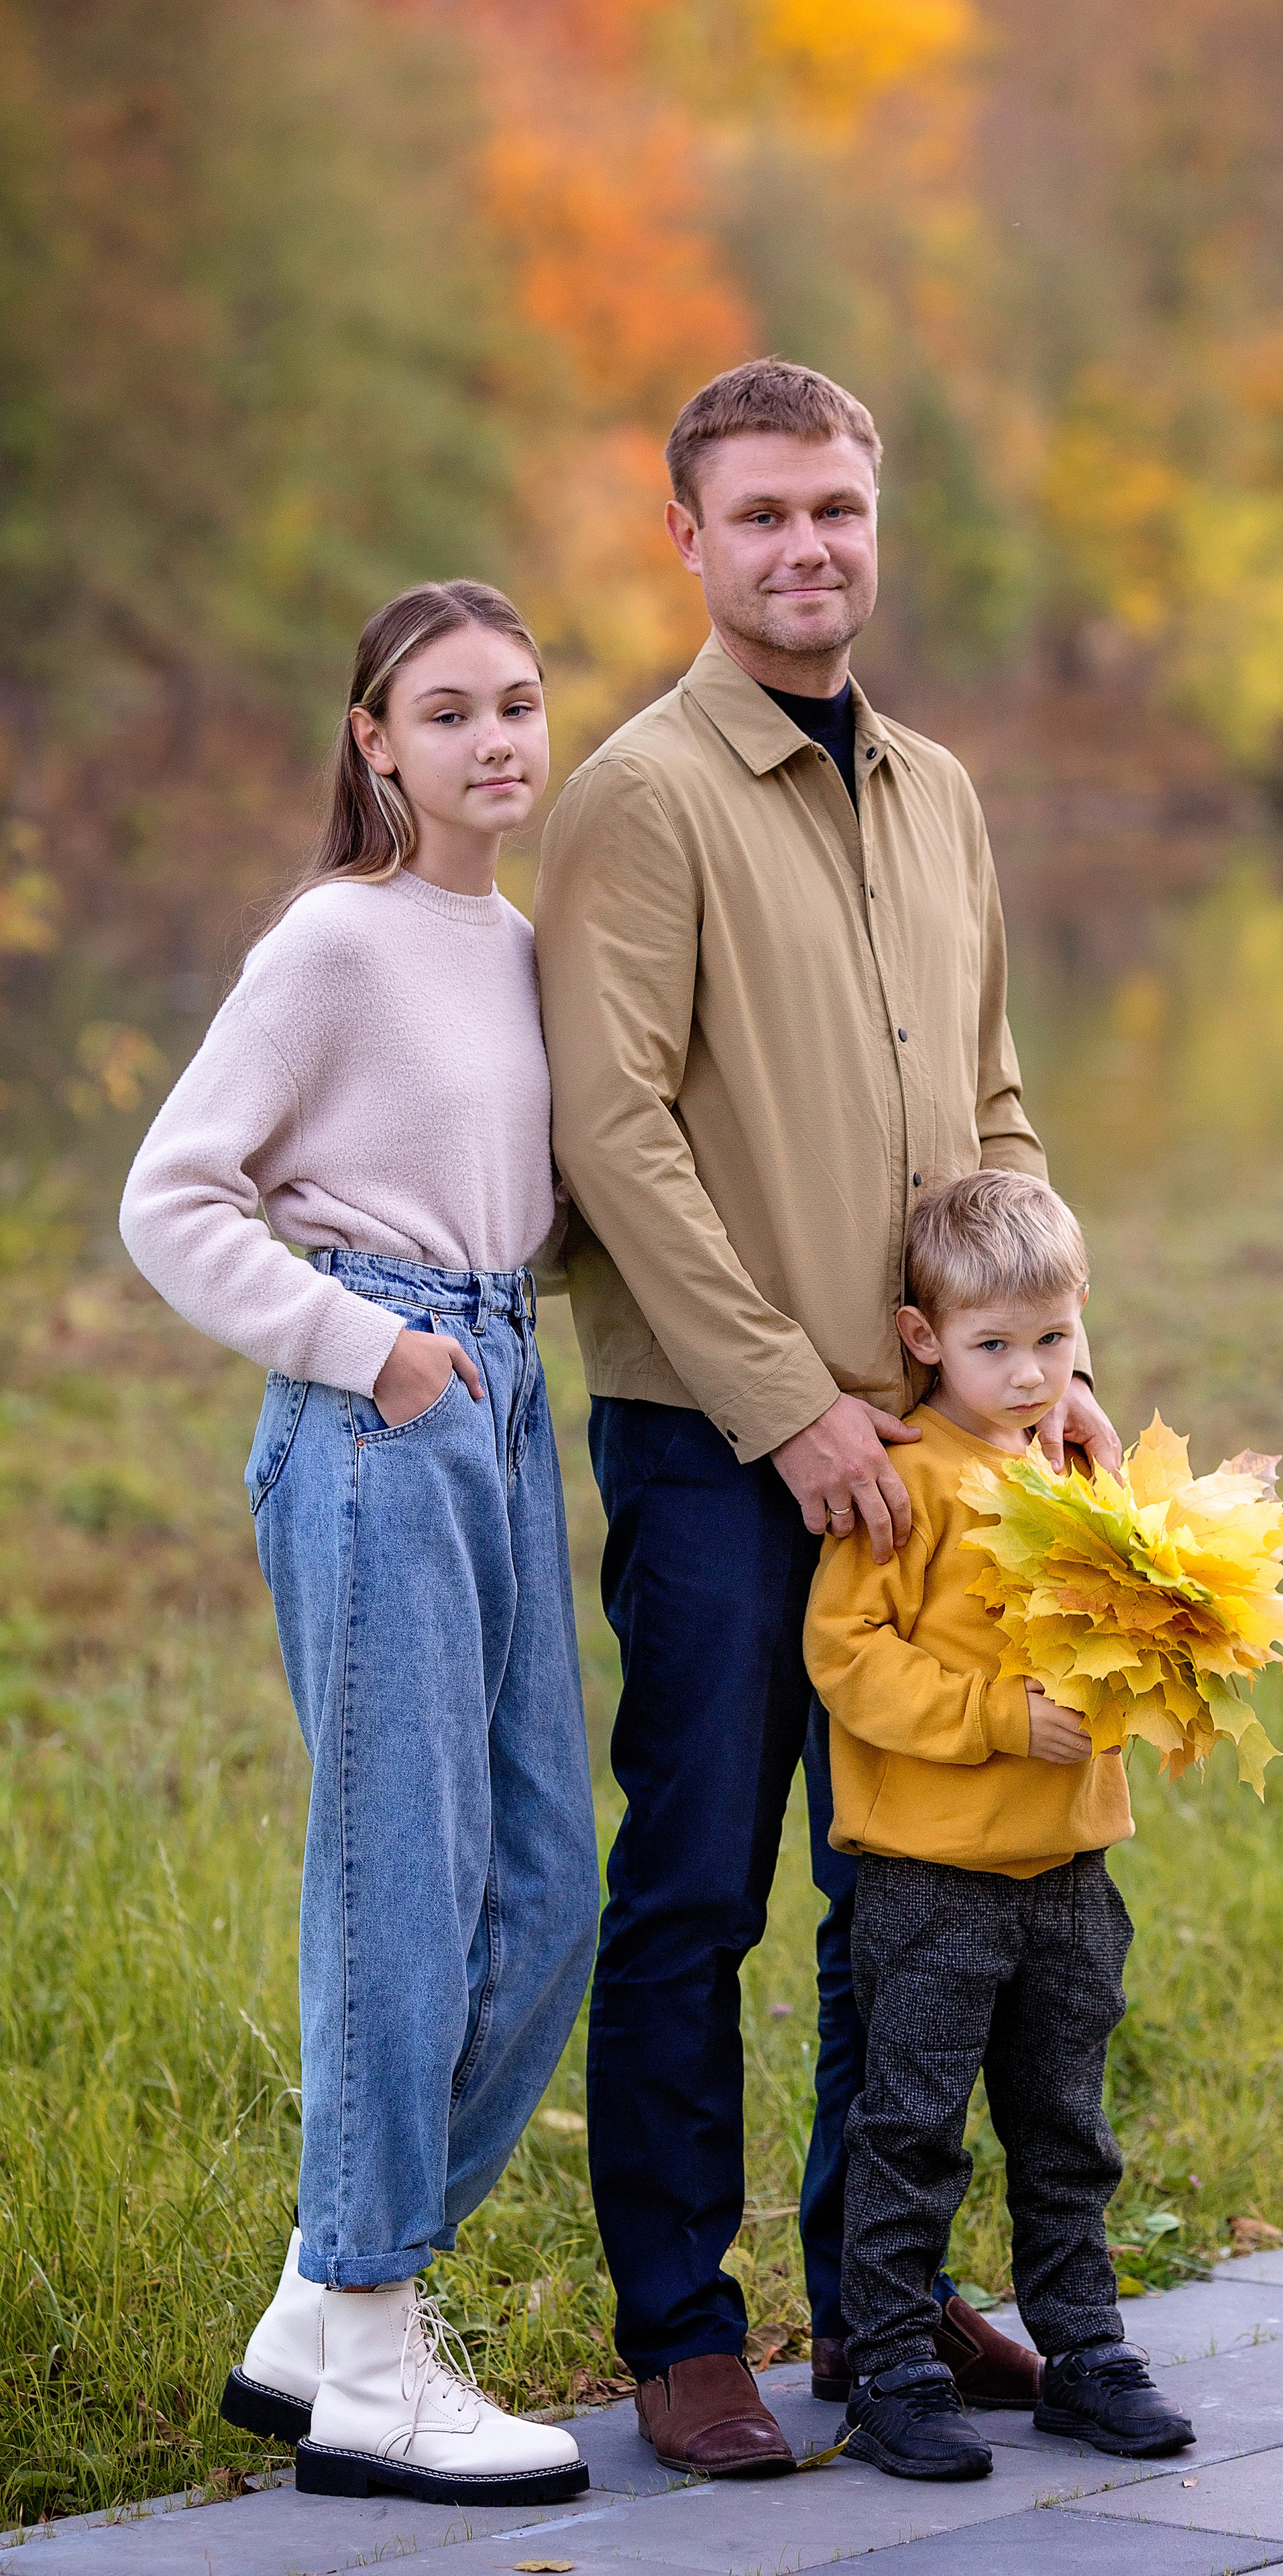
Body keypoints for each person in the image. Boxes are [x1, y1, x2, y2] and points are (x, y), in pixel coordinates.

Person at [534, 358, 1122, 2476]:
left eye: (837, 509)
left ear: (880, 522)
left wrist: (1056, 1366)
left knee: (911, 1885)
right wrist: (791, 1407)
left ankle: (878, 2298)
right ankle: (682, 2330)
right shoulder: (639, 797)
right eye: (764, 513)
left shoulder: (940, 791)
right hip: (718, 1442)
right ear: (688, 539)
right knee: (701, 1883)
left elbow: (994, 1100)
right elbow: (611, 1131)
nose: (807, 546)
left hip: (942, 1453)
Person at [118, 582, 599, 2508]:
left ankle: (323, 2309)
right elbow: (171, 1196)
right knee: (404, 1886)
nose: (494, 740)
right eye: (448, 711)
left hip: (504, 1390)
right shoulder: (332, 941)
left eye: (519, 704)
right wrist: (362, 1347)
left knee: (545, 1894)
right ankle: (379, 2358)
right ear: (374, 742)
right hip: (382, 1407)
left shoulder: (523, 948)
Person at [804, 1170, 1196, 2479]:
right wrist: (991, 1716)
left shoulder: (1079, 1473)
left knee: (1067, 2131)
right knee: (911, 2129)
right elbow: (846, 1654)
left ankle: (1084, 2355)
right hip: (933, 1881)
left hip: (1072, 1872)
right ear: (924, 1339)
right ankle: (891, 2368)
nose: (1030, 1375)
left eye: (1053, 1340)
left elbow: (1124, 1633)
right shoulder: (905, 1483)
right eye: (993, 1346)